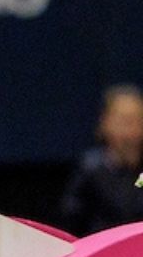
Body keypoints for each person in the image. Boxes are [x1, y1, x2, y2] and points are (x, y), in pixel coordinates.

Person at [60, 84, 143, 237]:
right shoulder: (90, 169)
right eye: (124, 121)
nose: (131, 131)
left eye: (137, 120)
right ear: (105, 123)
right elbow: (72, 220)